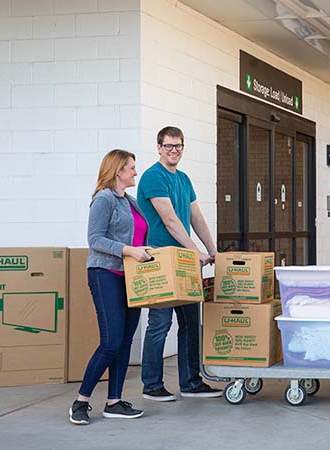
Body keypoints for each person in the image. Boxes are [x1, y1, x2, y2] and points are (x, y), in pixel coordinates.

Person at [137, 126, 221, 401]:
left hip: (184, 261)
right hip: (160, 259)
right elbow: (170, 220)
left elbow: (196, 217)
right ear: (159, 147)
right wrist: (195, 251)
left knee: (189, 322)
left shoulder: (184, 179)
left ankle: (191, 383)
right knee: (159, 324)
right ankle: (151, 385)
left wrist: (212, 249)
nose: (174, 150)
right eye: (169, 146)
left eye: (179, 146)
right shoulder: (152, 177)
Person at [69, 149, 152, 425]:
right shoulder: (103, 199)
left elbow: (134, 237)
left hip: (131, 278)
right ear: (118, 171)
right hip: (105, 274)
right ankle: (80, 402)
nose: (135, 173)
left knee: (126, 341)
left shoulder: (130, 202)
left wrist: (142, 250)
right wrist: (129, 249)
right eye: (131, 168)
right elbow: (95, 239)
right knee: (111, 341)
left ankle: (114, 401)